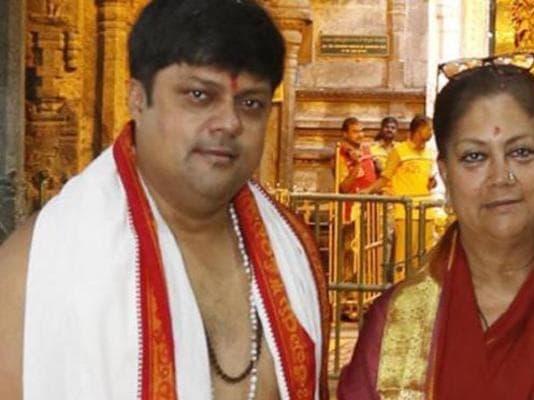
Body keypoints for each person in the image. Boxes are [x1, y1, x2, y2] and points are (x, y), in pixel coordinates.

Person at [0, 1, 330, 399]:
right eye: (199, 95)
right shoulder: (35, 269)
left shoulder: (293, 251)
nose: (229, 122)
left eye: (251, 103)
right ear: (137, 99)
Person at [338, 53, 534, 399]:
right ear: (445, 175)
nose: (501, 177)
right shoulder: (394, 327)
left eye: (521, 152)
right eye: (474, 157)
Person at [362, 115, 438, 280]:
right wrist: (367, 191)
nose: (431, 132)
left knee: (425, 258)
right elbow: (385, 179)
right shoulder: (399, 151)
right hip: (406, 212)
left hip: (427, 211)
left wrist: (433, 183)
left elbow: (429, 180)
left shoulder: (430, 153)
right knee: (404, 259)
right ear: (418, 130)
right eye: (429, 129)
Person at [337, 117, 377, 195]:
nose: (360, 135)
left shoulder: (367, 151)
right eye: (355, 132)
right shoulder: (341, 155)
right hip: (353, 201)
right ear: (345, 134)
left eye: (361, 131)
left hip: (371, 201)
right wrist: (357, 165)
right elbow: (343, 189)